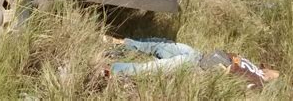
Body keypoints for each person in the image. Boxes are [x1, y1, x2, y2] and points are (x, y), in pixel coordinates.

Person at [107, 37, 279, 89]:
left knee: (151, 68)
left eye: (273, 74)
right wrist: (233, 58)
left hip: (196, 67)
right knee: (161, 45)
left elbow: (234, 83)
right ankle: (121, 44)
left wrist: (230, 68)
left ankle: (111, 70)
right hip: (198, 55)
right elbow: (231, 55)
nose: (270, 70)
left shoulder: (257, 83)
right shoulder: (254, 67)